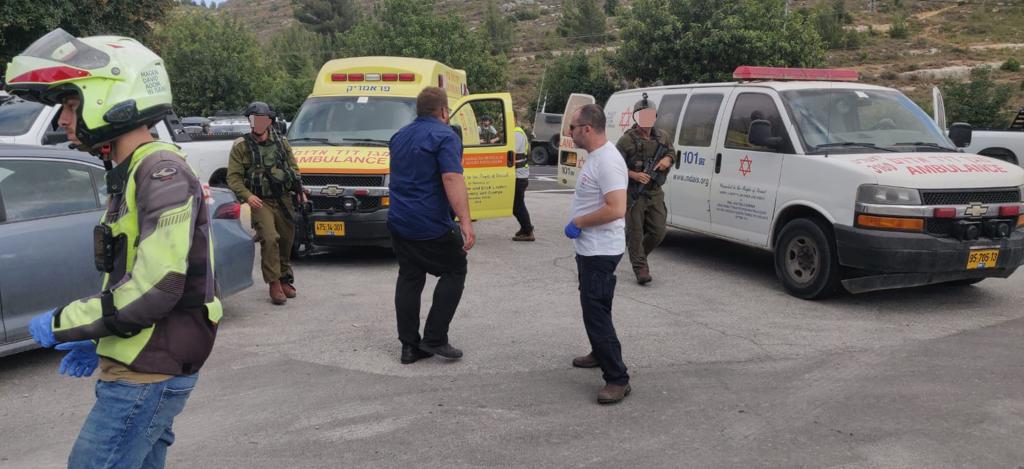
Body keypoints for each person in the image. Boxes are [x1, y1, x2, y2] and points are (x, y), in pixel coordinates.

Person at [7, 28, 221, 468]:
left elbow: (158, 286)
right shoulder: (134, 169)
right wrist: (103, 336)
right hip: (143, 357)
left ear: (112, 97)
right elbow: (128, 273)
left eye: (71, 104)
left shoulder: (160, 172)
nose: (63, 120)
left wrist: (66, 323)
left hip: (150, 368)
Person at [388, 87, 475, 365]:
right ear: (444, 111)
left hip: (399, 221)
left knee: (410, 277)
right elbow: (451, 178)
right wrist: (465, 221)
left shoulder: (399, 136)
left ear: (419, 110)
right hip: (429, 223)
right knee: (455, 268)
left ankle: (409, 346)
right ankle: (435, 338)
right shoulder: (445, 136)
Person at [563, 104, 631, 404]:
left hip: (600, 250)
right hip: (591, 249)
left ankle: (617, 378)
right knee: (597, 305)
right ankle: (598, 351)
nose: (570, 133)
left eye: (572, 127)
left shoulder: (608, 161)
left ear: (587, 128)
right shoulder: (596, 156)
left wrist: (579, 222)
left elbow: (616, 208)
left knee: (595, 312)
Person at [227, 101, 306, 305]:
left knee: (287, 239)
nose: (258, 124)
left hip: (283, 198)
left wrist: (300, 191)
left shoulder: (281, 142)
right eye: (254, 120)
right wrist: (247, 196)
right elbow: (233, 178)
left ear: (269, 121)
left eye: (262, 119)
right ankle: (274, 282)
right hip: (260, 201)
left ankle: (284, 278)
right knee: (270, 239)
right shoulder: (241, 146)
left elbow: (294, 169)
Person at [616, 98, 674, 285]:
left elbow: (672, 153)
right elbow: (614, 166)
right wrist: (634, 175)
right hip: (634, 193)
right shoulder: (626, 140)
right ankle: (640, 268)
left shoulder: (663, 137)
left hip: (654, 192)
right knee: (635, 232)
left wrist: (667, 160)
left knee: (658, 231)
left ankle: (638, 254)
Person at [512, 123, 535, 241]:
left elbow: (511, 152)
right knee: (517, 205)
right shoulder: (517, 132)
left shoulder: (516, 133)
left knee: (517, 205)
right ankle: (525, 228)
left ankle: (528, 231)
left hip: (519, 175)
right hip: (519, 175)